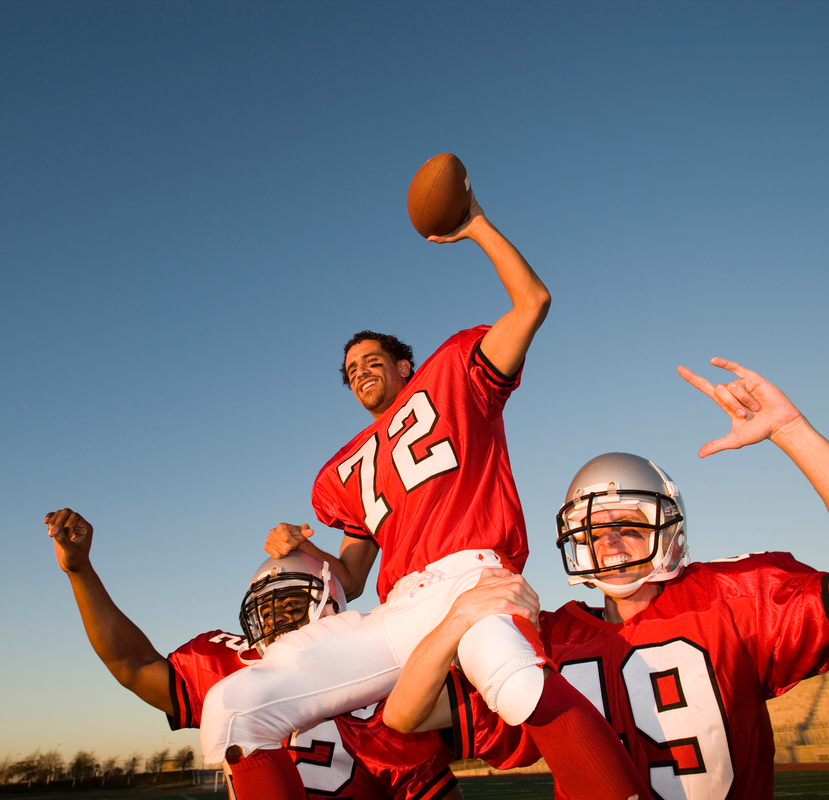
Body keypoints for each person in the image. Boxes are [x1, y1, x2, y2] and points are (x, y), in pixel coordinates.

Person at [200, 189, 649, 800]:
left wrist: (477, 226)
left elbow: (532, 302)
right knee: (233, 709)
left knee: (513, 678)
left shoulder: (455, 371)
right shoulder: (342, 470)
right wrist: (300, 550)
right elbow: (352, 578)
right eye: (350, 369)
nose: (359, 370)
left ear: (406, 364)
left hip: (472, 576)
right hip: (397, 608)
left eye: (371, 359)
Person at [382, 357, 829, 800]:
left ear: (668, 529)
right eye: (592, 529)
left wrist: (793, 431)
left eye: (628, 523)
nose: (608, 541)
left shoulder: (735, 599)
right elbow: (405, 715)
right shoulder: (546, 639)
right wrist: (457, 618)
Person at [44, 508, 462, 800]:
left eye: (291, 603)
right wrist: (80, 572)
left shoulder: (375, 672)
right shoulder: (231, 663)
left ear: (329, 602)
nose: (277, 617)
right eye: (267, 607)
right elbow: (132, 665)